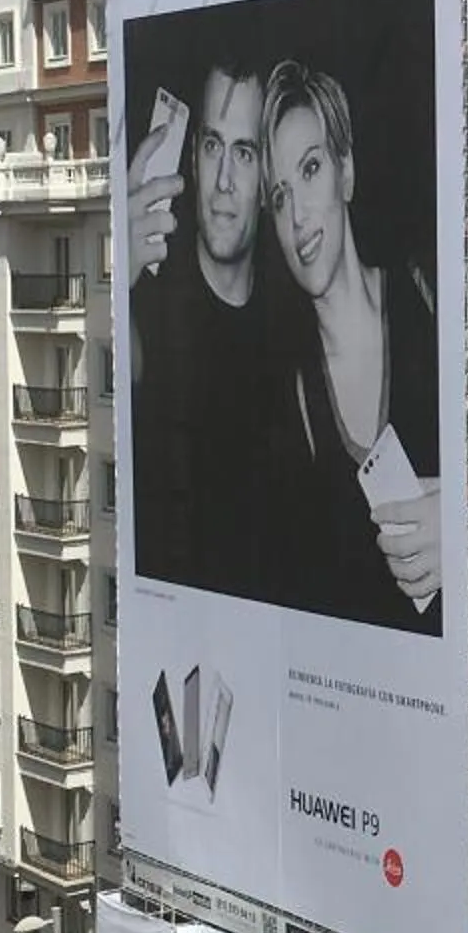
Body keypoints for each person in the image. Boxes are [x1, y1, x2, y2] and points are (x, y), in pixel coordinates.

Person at [260, 59, 444, 632]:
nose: (297, 216)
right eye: (279, 196)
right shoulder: (292, 399)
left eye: (310, 169)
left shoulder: (430, 295)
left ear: (346, 171)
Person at [125, 54, 291, 599]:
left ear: (268, 177)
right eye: (213, 145)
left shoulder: (296, 327)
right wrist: (115, 280)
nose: (223, 181)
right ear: (192, 155)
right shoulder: (147, 306)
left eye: (243, 153)